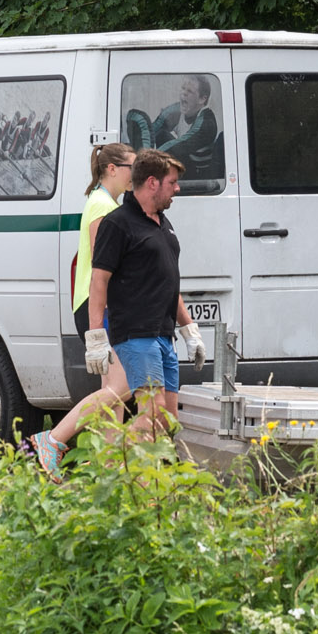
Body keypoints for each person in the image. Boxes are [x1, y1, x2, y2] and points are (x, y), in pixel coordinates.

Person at [77, 148, 204, 443]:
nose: (177, 188)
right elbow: (99, 280)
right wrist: (95, 335)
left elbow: (168, 281)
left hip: (163, 333)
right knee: (152, 412)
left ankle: (148, 484)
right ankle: (110, 460)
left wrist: (189, 329)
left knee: (167, 421)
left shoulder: (163, 223)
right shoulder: (118, 222)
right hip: (136, 332)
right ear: (152, 183)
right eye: (172, 182)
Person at [28, 142, 136, 478]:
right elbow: (105, 263)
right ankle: (53, 439)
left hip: (95, 304)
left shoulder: (102, 202)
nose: (137, 174)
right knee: (121, 388)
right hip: (99, 305)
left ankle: (108, 466)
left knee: (114, 394)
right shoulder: (104, 207)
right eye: (132, 167)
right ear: (112, 169)